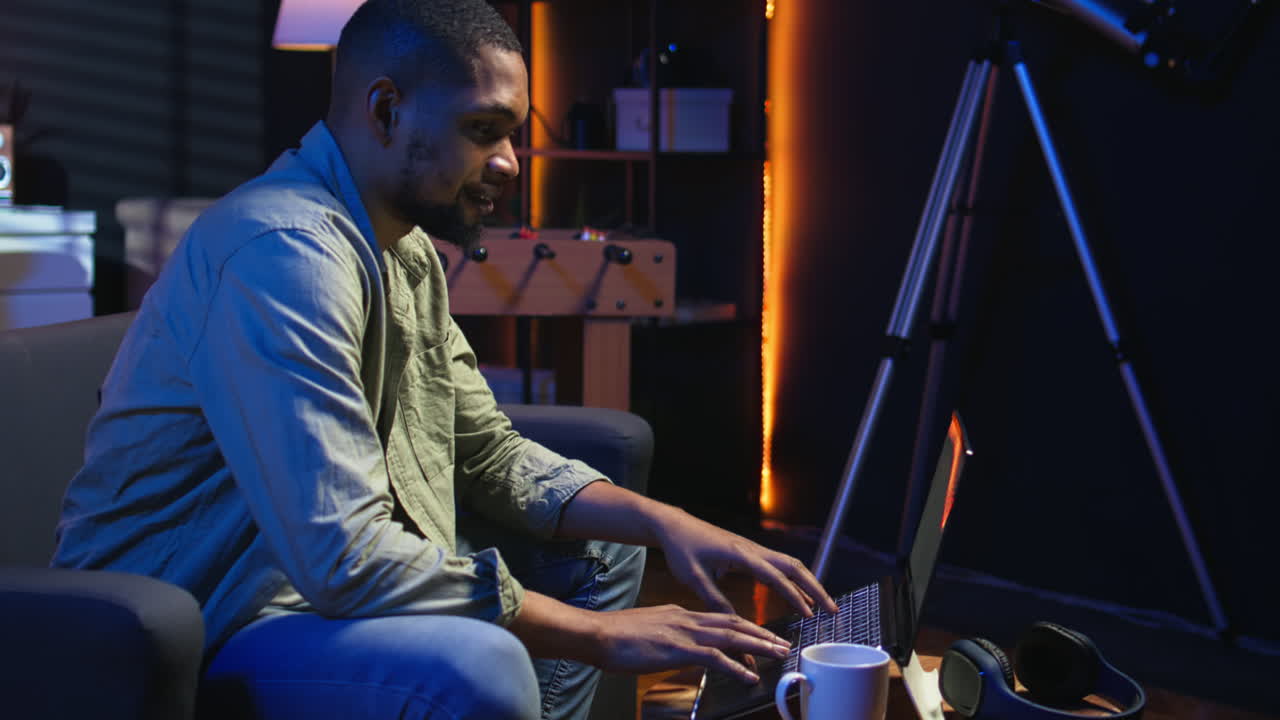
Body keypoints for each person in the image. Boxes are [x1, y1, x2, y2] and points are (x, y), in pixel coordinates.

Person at [52, 1, 837, 718]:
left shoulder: (406, 252)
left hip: (298, 594)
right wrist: (601, 638)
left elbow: (485, 450)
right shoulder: (284, 253)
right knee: (484, 666)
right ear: (387, 110)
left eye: (512, 134)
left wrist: (669, 524)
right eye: (483, 130)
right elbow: (347, 559)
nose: (510, 163)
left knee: (601, 553)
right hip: (200, 617)